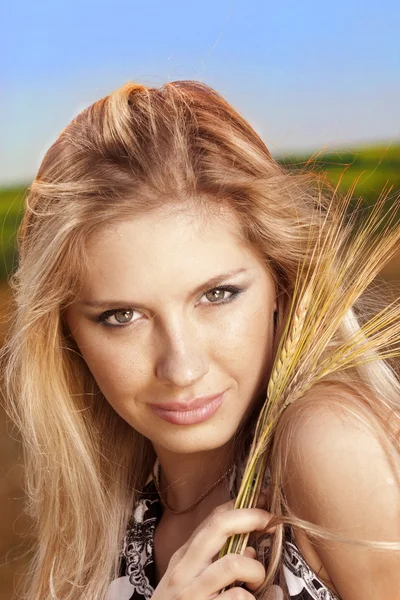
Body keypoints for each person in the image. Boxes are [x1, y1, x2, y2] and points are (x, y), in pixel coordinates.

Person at [1, 80, 399, 600]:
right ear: (67, 333)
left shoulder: (325, 443)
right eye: (123, 316)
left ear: (280, 283)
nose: (182, 368)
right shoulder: (114, 513)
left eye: (218, 295)